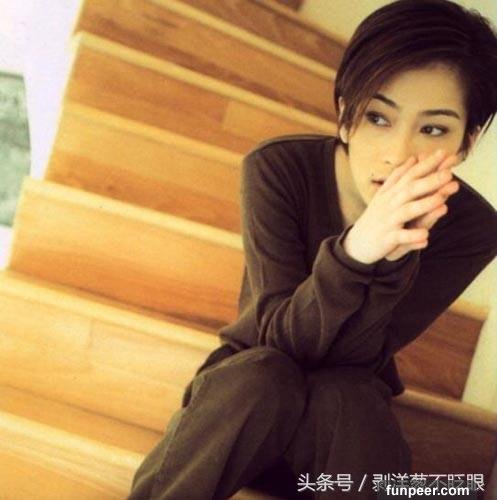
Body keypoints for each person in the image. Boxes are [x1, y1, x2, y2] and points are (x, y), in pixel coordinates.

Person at [127, 0, 497, 498]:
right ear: (345, 114)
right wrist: (358, 249)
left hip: (335, 445)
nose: (398, 154)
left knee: (346, 395)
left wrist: (392, 254)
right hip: (237, 418)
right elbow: (279, 342)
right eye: (377, 117)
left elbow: (359, 356)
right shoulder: (278, 170)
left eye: (433, 129)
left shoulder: (471, 228)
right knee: (262, 376)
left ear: (466, 142)